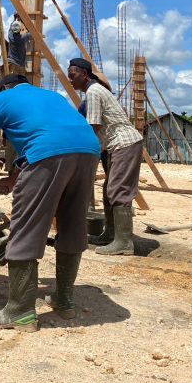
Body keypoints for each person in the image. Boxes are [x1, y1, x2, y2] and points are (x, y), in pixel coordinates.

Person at [0, 74, 100, 331]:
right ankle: (64, 300)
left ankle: (20, 312)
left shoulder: (1, 100)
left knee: (26, 228)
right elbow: (46, 138)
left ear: (4, 88)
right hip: (89, 152)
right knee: (72, 225)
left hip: (49, 152)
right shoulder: (52, 97)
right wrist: (14, 179)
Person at [68, 57, 144, 256]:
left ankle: (124, 242)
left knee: (118, 189)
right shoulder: (95, 92)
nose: (70, 80)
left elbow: (93, 127)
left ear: (85, 75)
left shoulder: (93, 92)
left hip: (123, 143)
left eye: (72, 76)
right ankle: (111, 235)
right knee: (109, 190)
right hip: (114, 146)